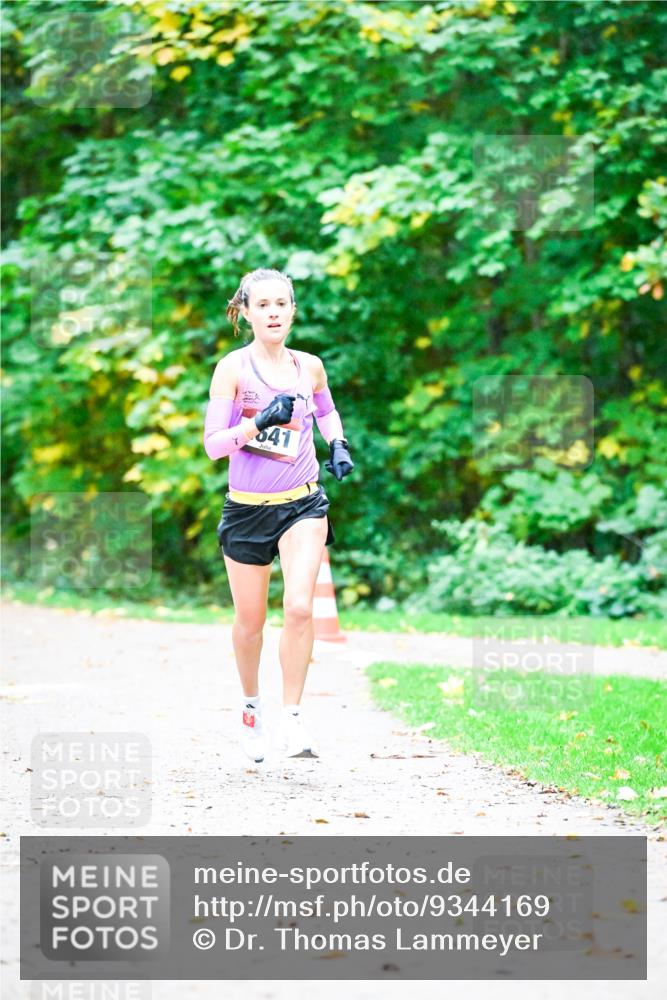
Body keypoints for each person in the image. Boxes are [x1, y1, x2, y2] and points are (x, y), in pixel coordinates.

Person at [203, 268, 354, 763]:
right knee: (251, 622)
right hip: (246, 512)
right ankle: (252, 711)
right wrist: (254, 424)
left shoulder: (309, 366)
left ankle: (292, 716)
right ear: (244, 312)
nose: (273, 313)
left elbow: (327, 411)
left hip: (303, 503)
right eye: (262, 305)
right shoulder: (233, 369)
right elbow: (212, 446)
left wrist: (338, 444)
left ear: (292, 310)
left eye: (281, 304)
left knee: (299, 608)